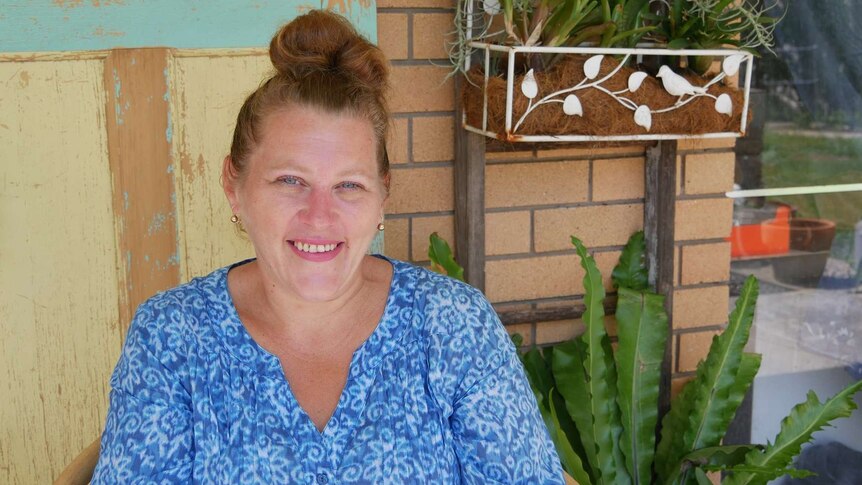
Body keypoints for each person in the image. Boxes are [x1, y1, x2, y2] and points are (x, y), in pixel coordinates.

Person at [92, 10, 563, 484]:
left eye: (349, 186)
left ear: (383, 196)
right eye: (290, 180)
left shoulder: (451, 327)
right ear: (234, 186)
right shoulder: (173, 337)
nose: (319, 217)